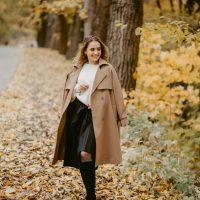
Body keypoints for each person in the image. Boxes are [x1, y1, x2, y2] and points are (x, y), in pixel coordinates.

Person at [52, 35, 127, 200]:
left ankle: (90, 196)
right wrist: (78, 88)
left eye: (98, 49)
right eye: (92, 49)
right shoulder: (76, 69)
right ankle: (90, 177)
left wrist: (122, 116)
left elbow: (117, 94)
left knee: (85, 153)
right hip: (77, 114)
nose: (96, 52)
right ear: (85, 51)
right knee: (81, 155)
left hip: (98, 117)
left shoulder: (108, 69)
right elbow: (67, 94)